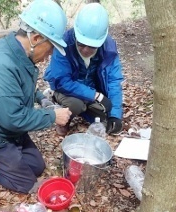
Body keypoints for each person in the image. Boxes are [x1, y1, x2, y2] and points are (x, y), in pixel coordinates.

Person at [0, 0, 72, 194]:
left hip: (8, 127)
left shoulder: (17, 53)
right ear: (35, 38)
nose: (49, 55)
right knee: (26, 184)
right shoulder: (0, 65)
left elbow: (18, 88)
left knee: (36, 166)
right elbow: (13, 119)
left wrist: (40, 98)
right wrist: (53, 117)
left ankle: (8, 159)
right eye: (50, 48)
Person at [43, 3, 124, 137]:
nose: (86, 50)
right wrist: (96, 96)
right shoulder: (64, 43)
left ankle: (86, 109)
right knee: (76, 104)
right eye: (81, 44)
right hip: (66, 89)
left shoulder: (108, 47)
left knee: (105, 115)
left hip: (91, 88)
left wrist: (115, 115)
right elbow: (62, 81)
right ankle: (63, 118)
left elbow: (113, 81)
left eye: (92, 46)